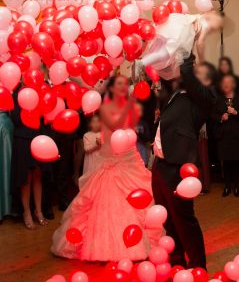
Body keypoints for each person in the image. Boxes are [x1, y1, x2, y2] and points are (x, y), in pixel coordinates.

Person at [51, 74, 160, 261]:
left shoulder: (110, 111)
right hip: (121, 164)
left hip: (120, 163)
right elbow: (117, 141)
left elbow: (108, 141)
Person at [152, 53, 216, 269]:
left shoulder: (203, 98)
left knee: (184, 221)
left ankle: (198, 267)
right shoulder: (175, 94)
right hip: (161, 165)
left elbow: (187, 72)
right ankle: (177, 263)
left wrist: (187, 50)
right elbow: (164, 75)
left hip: (178, 168)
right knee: (169, 222)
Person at [141, 11, 222, 80]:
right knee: (165, 53)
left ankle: (142, 62)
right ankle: (142, 63)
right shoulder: (206, 26)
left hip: (177, 27)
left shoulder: (199, 17)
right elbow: (200, 44)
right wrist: (202, 61)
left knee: (161, 49)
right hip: (180, 33)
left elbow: (191, 41)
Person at [10, 90, 48, 229]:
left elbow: (44, 116)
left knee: (38, 175)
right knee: (26, 178)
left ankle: (39, 211)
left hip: (38, 138)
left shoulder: (39, 92)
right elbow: (16, 119)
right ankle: (27, 213)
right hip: (22, 140)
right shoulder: (15, 96)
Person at [214, 75, 239, 197]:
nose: (225, 84)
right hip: (223, 136)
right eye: (223, 82)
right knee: (226, 162)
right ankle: (227, 186)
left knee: (235, 161)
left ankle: (236, 186)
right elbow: (213, 115)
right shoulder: (218, 99)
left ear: (233, 85)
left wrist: (236, 112)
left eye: (228, 82)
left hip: (236, 136)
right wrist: (221, 118)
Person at [0, 110, 14, 222]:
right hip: (6, 122)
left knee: (6, 162)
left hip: (5, 122)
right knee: (6, 163)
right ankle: (7, 207)